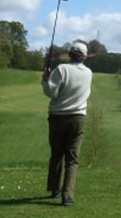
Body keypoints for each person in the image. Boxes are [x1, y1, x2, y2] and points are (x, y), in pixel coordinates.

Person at [41, 42, 92, 206]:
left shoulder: (61, 69)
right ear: (85, 56)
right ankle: (67, 195)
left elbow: (51, 92)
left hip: (57, 117)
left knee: (56, 155)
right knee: (72, 158)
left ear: (69, 54)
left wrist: (45, 79)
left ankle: (54, 188)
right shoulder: (89, 73)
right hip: (78, 118)